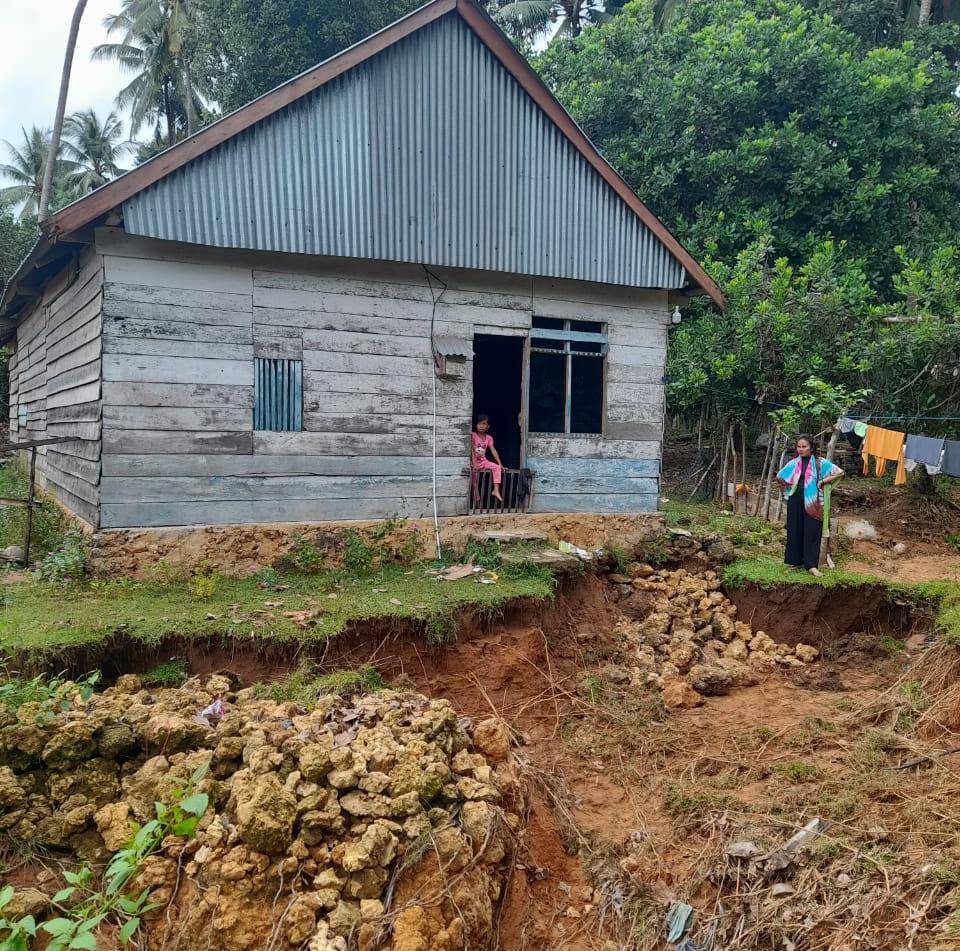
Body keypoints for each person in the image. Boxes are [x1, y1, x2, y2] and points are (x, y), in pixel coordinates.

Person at [777, 434, 843, 577]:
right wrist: (787, 488)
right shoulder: (794, 463)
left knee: (813, 531)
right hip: (795, 499)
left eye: (804, 446)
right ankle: (794, 562)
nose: (801, 449)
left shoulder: (820, 462)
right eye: (799, 446)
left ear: (811, 448)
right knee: (794, 529)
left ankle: (811, 565)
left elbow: (839, 472)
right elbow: (780, 477)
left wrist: (823, 482)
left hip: (813, 501)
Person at [471, 414, 504, 502]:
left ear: (488, 426)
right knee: (474, 483)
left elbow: (493, 450)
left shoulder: (489, 438)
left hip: (483, 461)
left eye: (484, 424)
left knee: (497, 468)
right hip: (472, 462)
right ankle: (476, 503)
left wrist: (500, 464)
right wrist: (474, 463)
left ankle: (496, 490)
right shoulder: (472, 435)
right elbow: (471, 450)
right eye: (479, 423)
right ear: (475, 425)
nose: (481, 426)